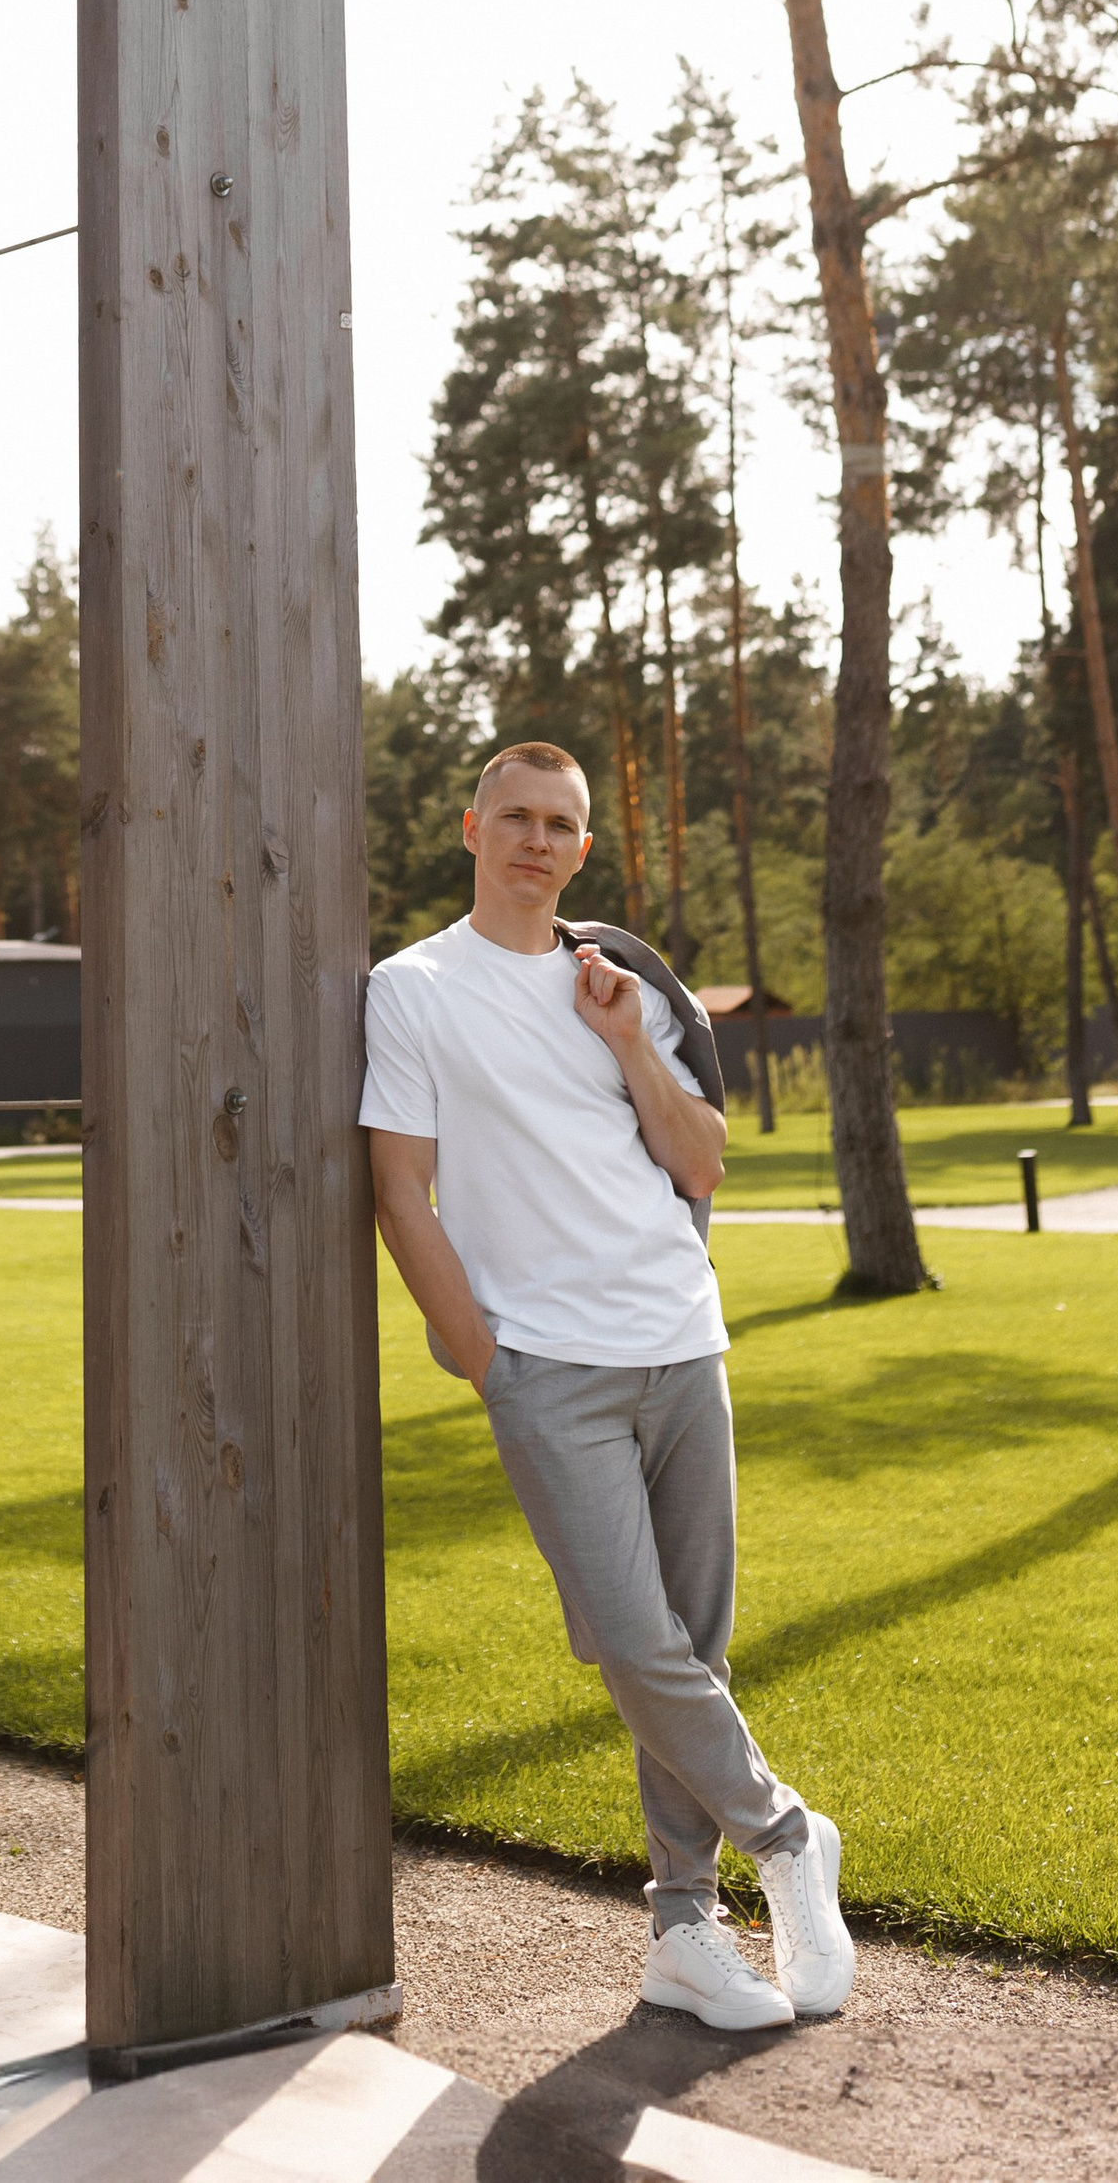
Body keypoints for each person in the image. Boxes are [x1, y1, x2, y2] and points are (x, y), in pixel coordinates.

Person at [360, 739, 854, 2035]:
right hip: (547, 1370)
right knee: (631, 1643)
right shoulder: (411, 992)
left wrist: (631, 1042)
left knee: (693, 1646)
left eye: (560, 824)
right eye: (514, 817)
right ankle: (789, 1835)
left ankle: (684, 1931)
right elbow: (399, 1186)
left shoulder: (623, 980)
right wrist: (476, 1349)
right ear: (470, 829)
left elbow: (703, 1166)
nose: (535, 839)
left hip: (682, 1342)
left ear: (585, 847)